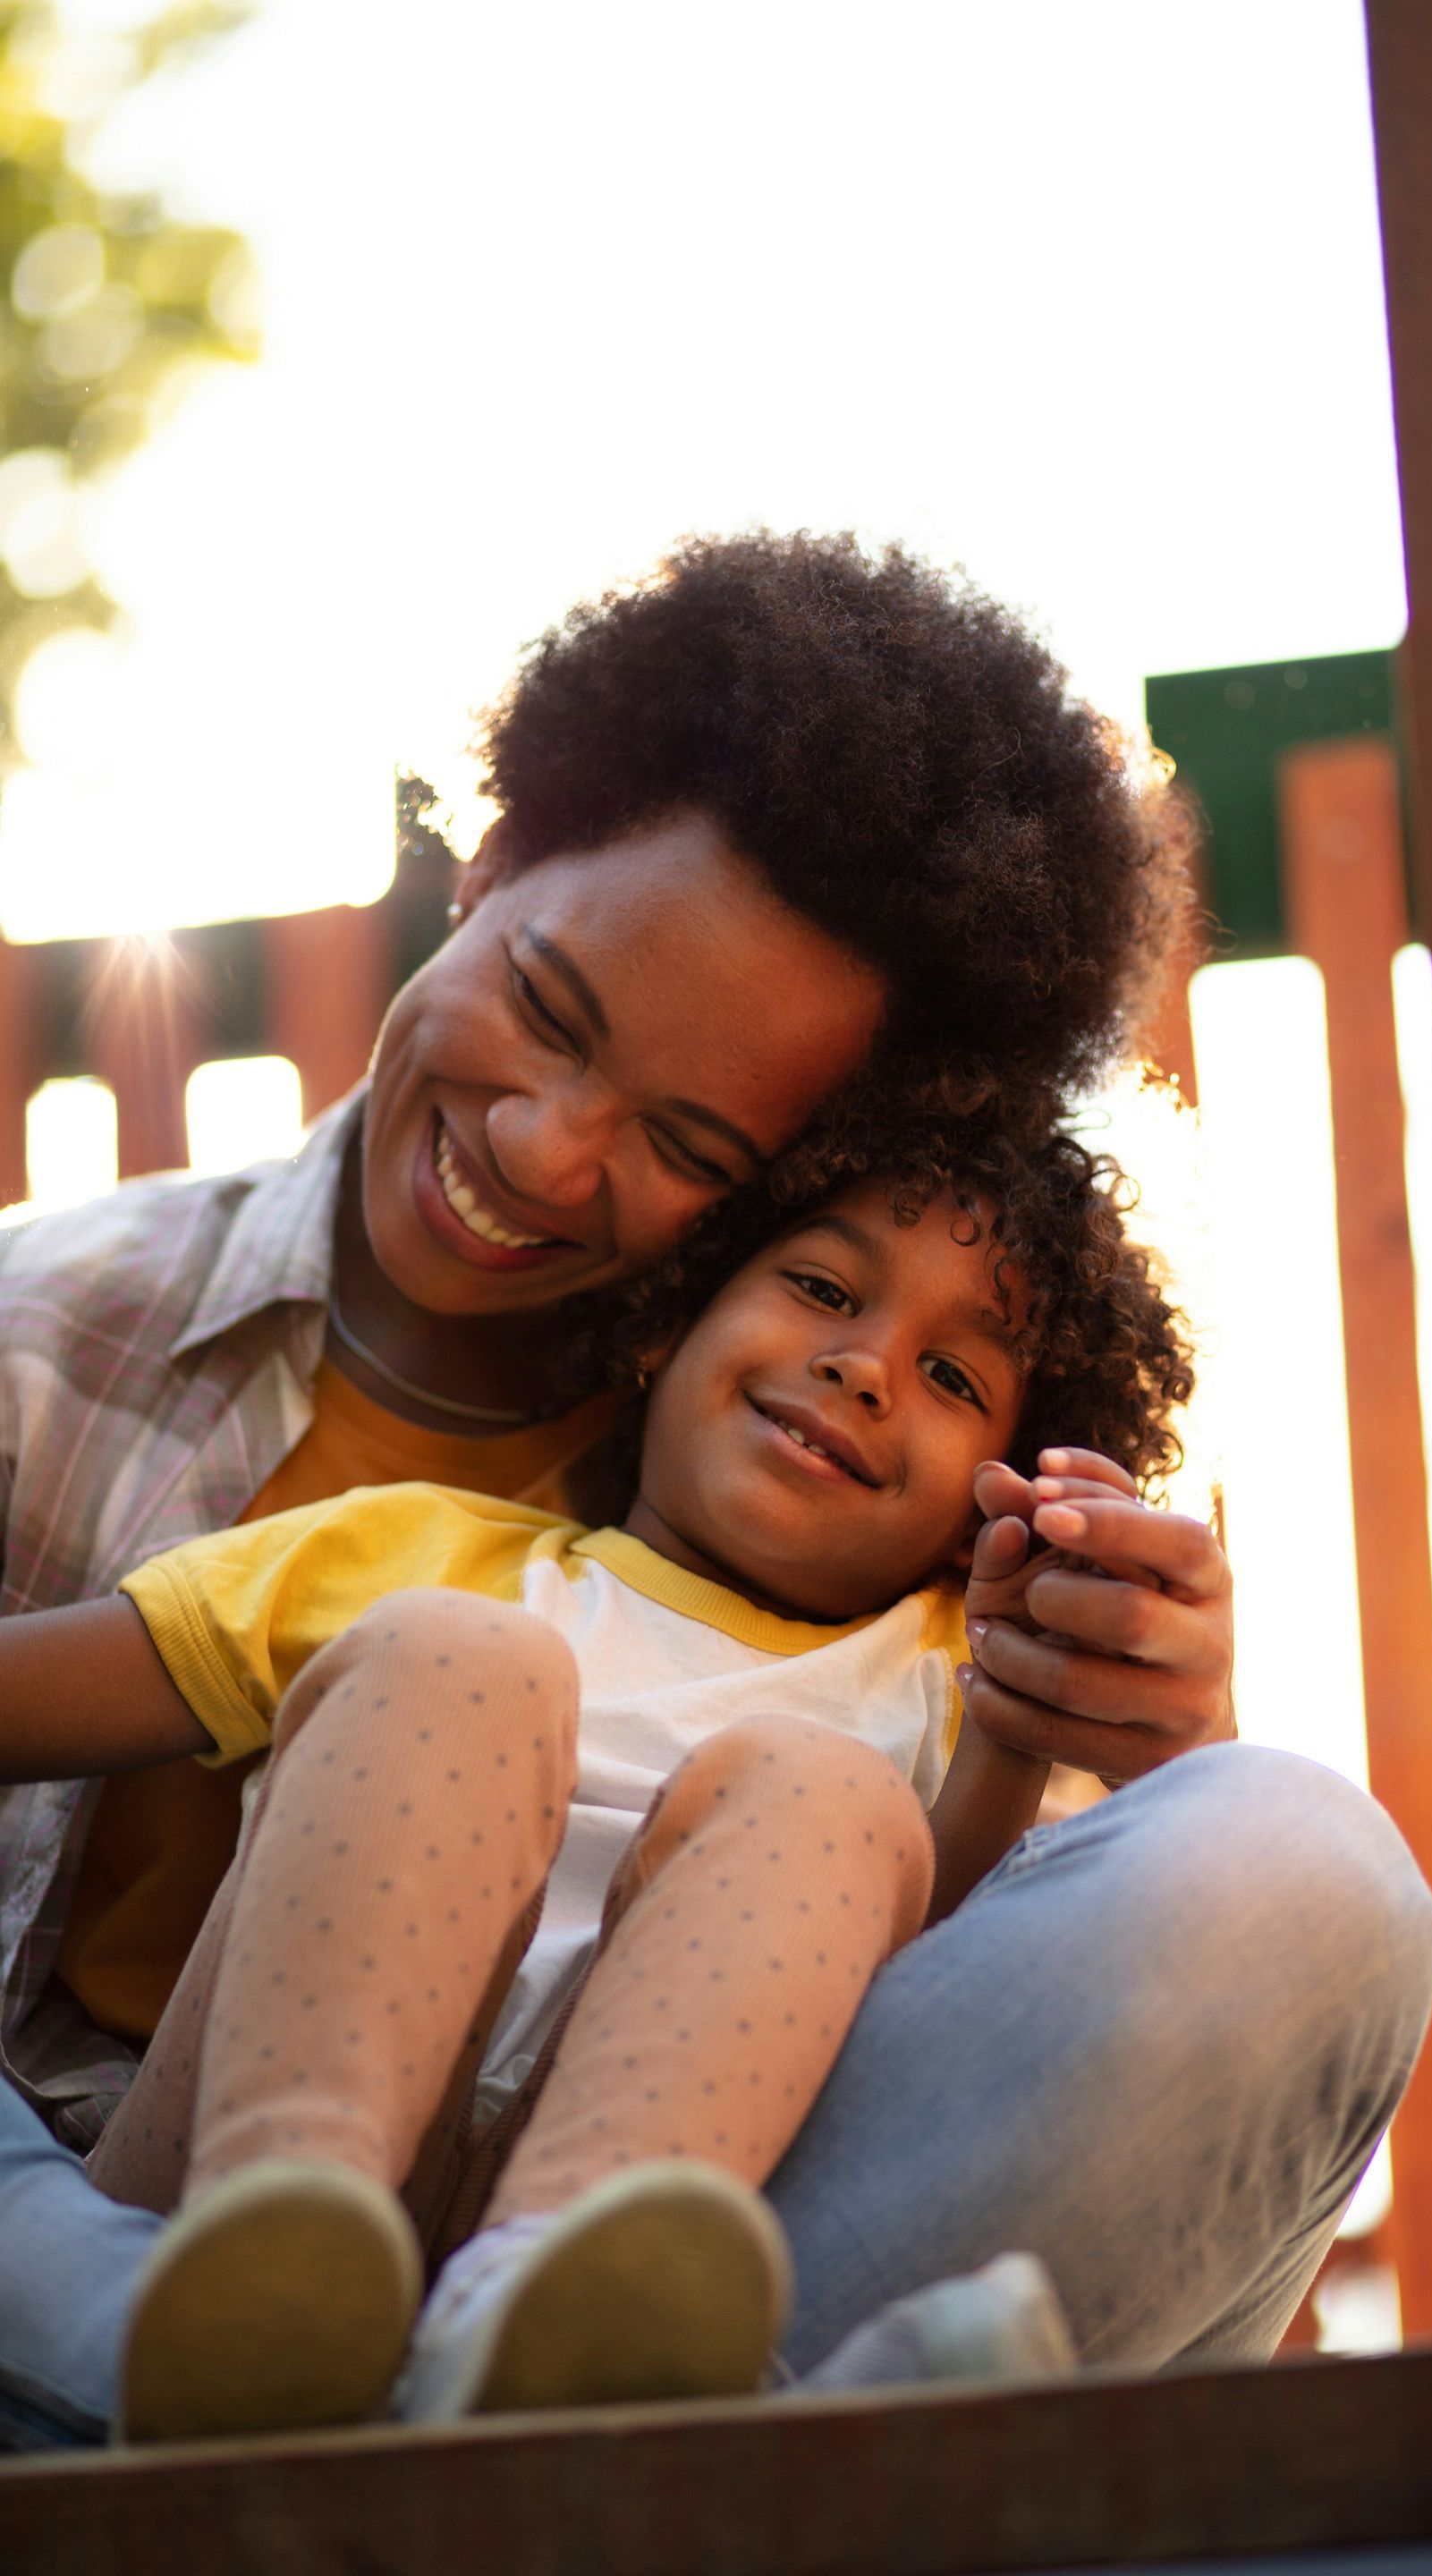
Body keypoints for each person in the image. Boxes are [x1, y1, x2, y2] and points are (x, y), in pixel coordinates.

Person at [0, 531, 1230, 2173]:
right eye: (551, 1008)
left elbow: (1044, 2024)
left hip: (620, 2243)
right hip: (126, 2196)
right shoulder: (47, 1341)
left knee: (1295, 1865)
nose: (544, 1148)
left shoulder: (843, 1538)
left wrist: (1161, 1747)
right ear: (491, 863)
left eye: (694, 1144)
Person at [3, 1118, 1202, 2442]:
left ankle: (548, 2306)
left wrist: (1018, 1722)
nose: (865, 1367)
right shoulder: (419, 1552)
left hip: (619, 2285)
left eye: (951, 1377)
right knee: (454, 1657)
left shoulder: (949, 1683)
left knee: (825, 1792)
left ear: (993, 1500)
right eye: (821, 1288)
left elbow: (958, 1961)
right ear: (666, 1323)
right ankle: (284, 2238)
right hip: (207, 2213)